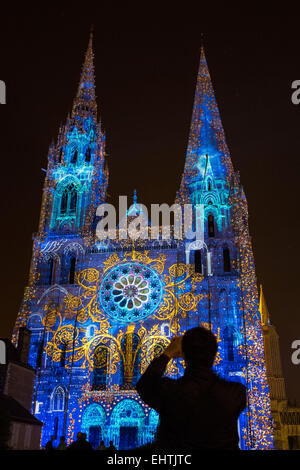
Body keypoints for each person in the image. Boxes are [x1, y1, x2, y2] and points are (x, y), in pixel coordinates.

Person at [136, 326, 247, 451]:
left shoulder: (171, 392)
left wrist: (168, 353)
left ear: (183, 354)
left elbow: (144, 385)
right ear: (214, 353)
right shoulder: (236, 394)